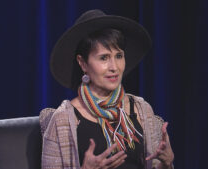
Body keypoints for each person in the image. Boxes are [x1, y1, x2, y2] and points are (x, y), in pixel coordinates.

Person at [39, 9, 174, 169]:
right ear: (83, 63)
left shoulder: (142, 110)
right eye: (104, 58)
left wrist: (166, 163)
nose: (114, 67)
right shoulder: (63, 120)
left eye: (119, 56)